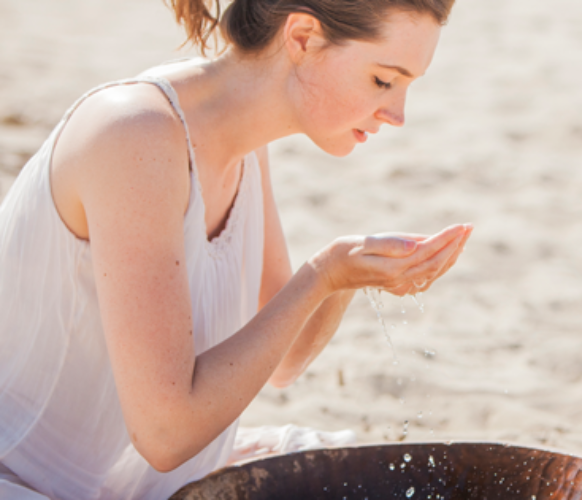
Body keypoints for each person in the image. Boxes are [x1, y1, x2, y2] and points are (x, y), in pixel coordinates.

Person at [0, 0, 470, 497]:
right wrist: (321, 275)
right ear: (304, 37)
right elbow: (165, 434)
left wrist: (344, 279)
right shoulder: (133, 135)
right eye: (382, 80)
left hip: (132, 482)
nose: (396, 114)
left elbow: (282, 361)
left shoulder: (245, 144)